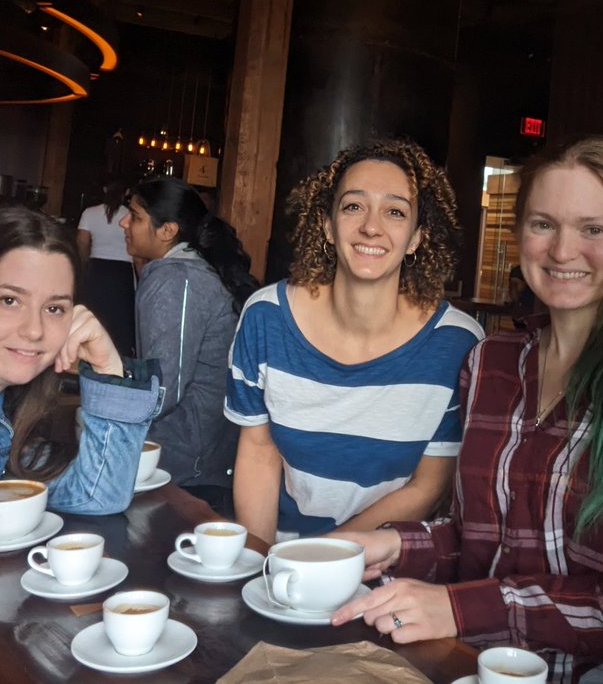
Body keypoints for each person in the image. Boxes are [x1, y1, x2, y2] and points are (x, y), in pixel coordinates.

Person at [332, 136, 603, 684]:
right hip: (483, 665)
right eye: (544, 224)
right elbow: (480, 541)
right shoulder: (491, 362)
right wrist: (391, 543)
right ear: (518, 234)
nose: (562, 251)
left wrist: (462, 608)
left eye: (593, 229)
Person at [225, 139, 484, 546]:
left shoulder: (457, 343)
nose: (371, 226)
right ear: (328, 225)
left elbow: (427, 486)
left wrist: (320, 559)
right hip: (282, 555)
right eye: (353, 206)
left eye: (395, 211)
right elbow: (259, 451)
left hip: (388, 570)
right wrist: (261, 566)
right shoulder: (266, 317)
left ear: (416, 238)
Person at [0, 207, 164, 586]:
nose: (35, 330)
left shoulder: (3, 415)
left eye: (54, 308)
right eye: (10, 301)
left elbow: (98, 496)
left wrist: (108, 370)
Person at [122, 177, 258, 513]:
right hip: (207, 457)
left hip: (186, 466)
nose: (124, 223)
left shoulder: (176, 278)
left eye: (136, 217)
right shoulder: (190, 270)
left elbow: (162, 390)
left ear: (167, 231)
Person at [76, 175, 136, 356]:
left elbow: (82, 244)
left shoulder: (89, 213)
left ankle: (86, 358)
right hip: (123, 272)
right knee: (120, 321)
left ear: (104, 189)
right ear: (127, 192)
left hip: (97, 269)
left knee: (93, 314)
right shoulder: (131, 216)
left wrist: (84, 266)